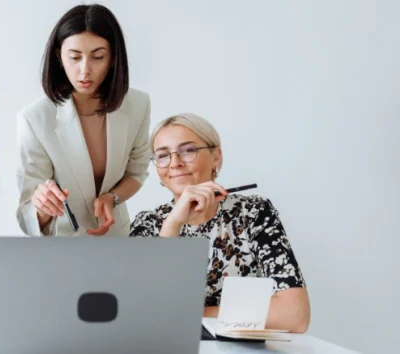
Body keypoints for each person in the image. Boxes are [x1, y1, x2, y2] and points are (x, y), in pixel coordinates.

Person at [130, 113, 311, 333]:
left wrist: (186, 314)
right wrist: (173, 223)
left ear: (216, 156)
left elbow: (294, 315)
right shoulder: (148, 223)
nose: (175, 163)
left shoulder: (253, 213)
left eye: (188, 150)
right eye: (163, 155)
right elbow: (137, 313)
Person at [16, 4, 151, 236]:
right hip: (66, 244)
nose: (84, 70)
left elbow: (136, 172)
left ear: (112, 59)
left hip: (116, 237)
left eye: (98, 57)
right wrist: (44, 206)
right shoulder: (35, 119)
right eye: (75, 57)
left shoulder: (138, 104)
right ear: (59, 56)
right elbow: (26, 215)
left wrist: (112, 198)